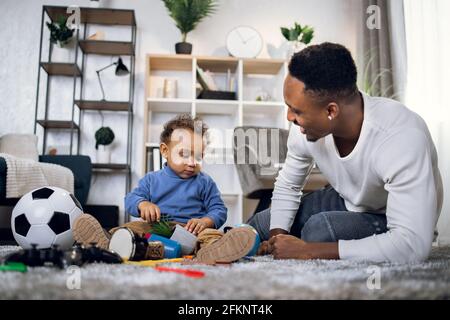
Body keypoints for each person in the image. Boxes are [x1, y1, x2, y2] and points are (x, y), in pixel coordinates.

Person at [248, 42, 443, 263]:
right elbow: (289, 185)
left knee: (318, 233)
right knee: (260, 225)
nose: (289, 117)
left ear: (331, 110)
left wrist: (307, 250)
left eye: (297, 110)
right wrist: (278, 239)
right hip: (346, 199)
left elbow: (412, 245)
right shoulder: (303, 128)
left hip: (387, 214)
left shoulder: (399, 137)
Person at [73, 113, 228, 249]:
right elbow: (130, 199)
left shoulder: (205, 182)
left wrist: (205, 222)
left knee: (210, 235)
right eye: (185, 154)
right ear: (165, 151)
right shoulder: (151, 180)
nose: (193, 162)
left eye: (199, 156)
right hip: (157, 230)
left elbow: (219, 210)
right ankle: (105, 242)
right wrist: (143, 204)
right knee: (131, 228)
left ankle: (215, 249)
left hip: (192, 232)